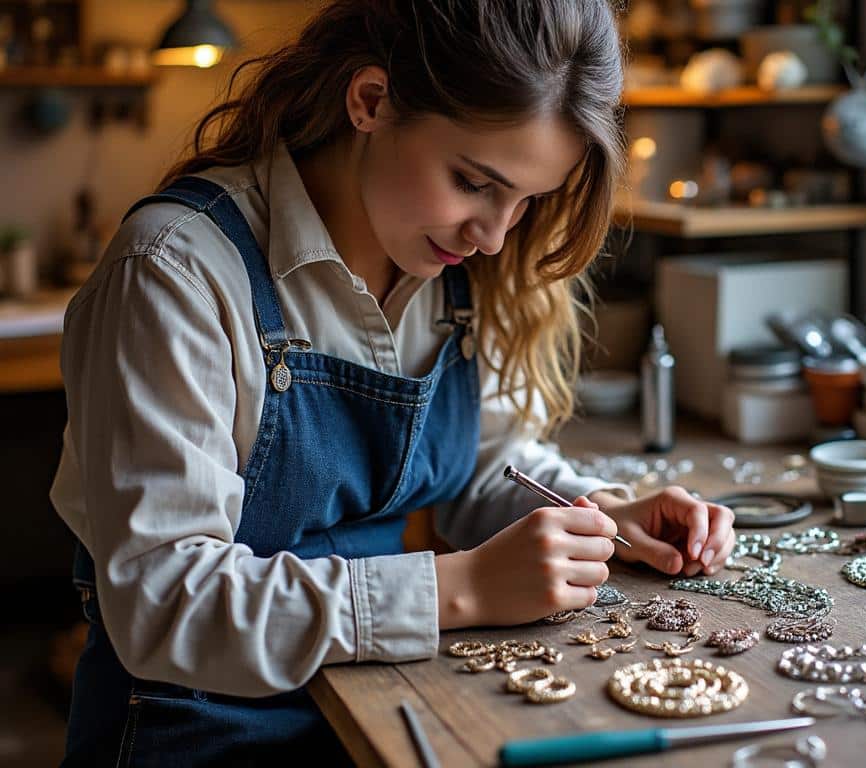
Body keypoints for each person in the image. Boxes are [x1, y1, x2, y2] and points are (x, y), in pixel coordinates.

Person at [51, 2, 735, 763]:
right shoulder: (174, 273)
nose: (495, 236)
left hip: (381, 709)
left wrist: (598, 514)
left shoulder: (452, 271)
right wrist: (458, 589)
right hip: (197, 736)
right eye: (474, 182)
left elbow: (483, 466)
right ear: (371, 101)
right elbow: (166, 605)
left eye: (528, 200)